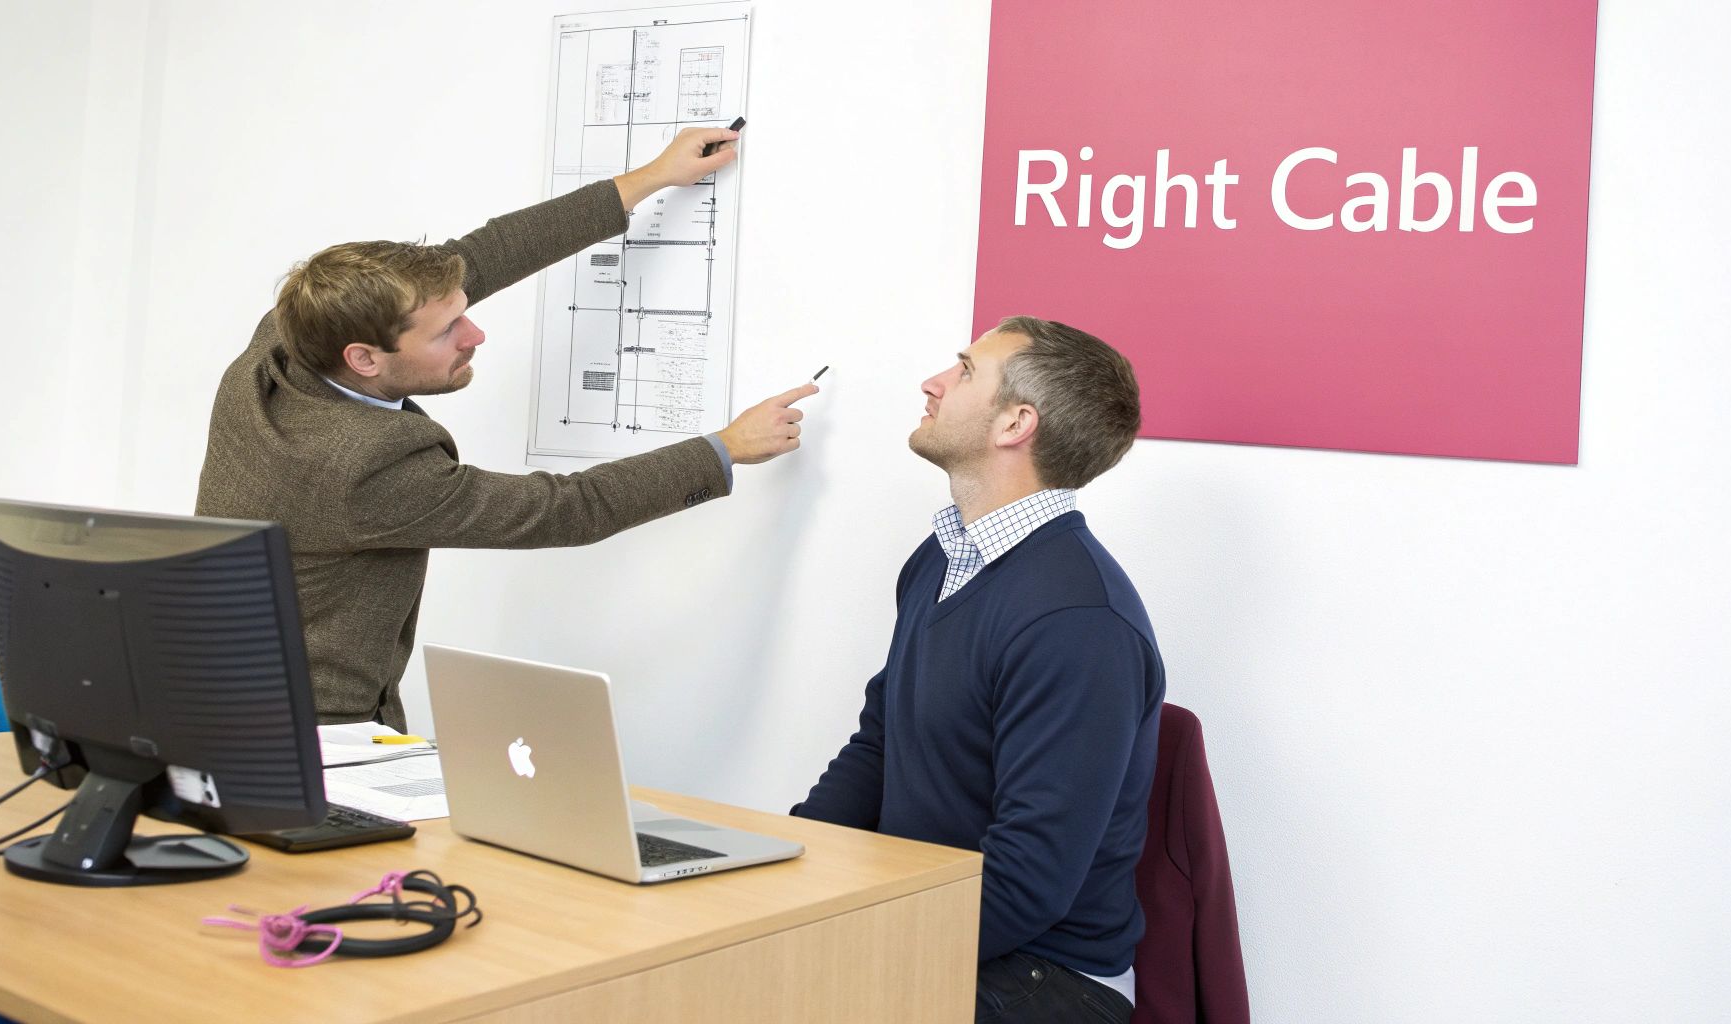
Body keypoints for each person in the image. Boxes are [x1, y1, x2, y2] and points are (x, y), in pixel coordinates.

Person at [197, 127, 815, 728]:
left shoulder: (287, 339)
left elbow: (489, 252)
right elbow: (565, 510)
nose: (476, 334)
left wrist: (654, 175)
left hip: (214, 694)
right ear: (363, 358)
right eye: (447, 331)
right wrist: (725, 448)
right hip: (311, 734)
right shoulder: (361, 467)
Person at [793, 316, 1162, 1023]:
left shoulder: (1078, 620)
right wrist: (782, 875)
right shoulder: (942, 558)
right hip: (932, 919)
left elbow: (1026, 884)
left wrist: (848, 944)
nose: (932, 383)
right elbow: (880, 746)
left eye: (964, 371)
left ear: (1016, 423)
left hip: (1044, 977)